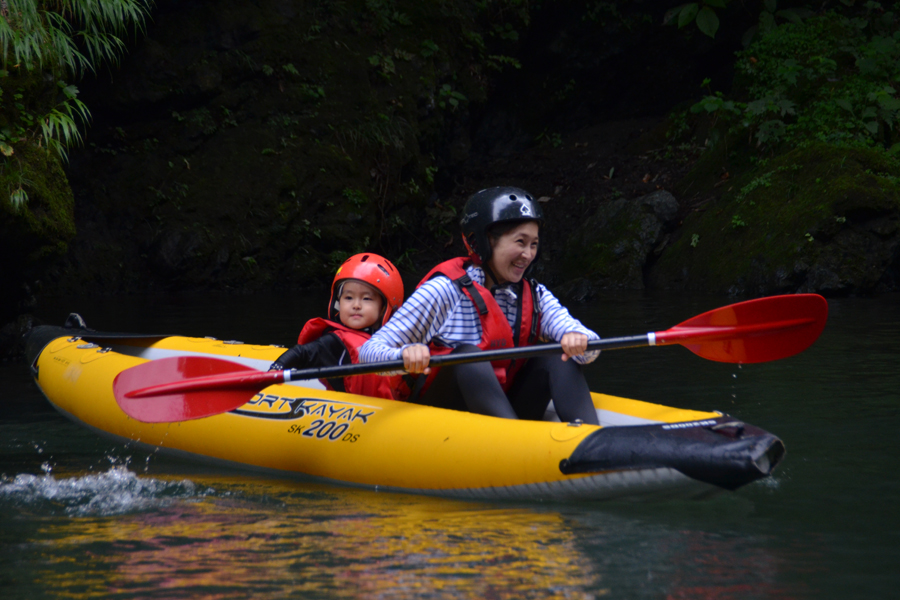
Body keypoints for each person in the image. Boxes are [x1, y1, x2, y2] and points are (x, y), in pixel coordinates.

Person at [359, 186, 601, 424]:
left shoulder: (536, 296)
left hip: (502, 410)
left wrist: (578, 341)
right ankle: (513, 443)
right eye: (520, 241)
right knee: (468, 356)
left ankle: (594, 442)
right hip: (440, 418)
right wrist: (402, 356)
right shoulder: (443, 291)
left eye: (534, 244)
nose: (528, 254)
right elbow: (368, 354)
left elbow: (591, 348)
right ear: (484, 242)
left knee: (557, 354)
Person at [268, 253, 404, 399]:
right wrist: (275, 370)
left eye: (366, 299)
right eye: (348, 298)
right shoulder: (334, 343)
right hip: (350, 412)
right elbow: (301, 353)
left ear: (385, 308)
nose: (356, 305)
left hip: (387, 409)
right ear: (338, 302)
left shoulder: (396, 340)